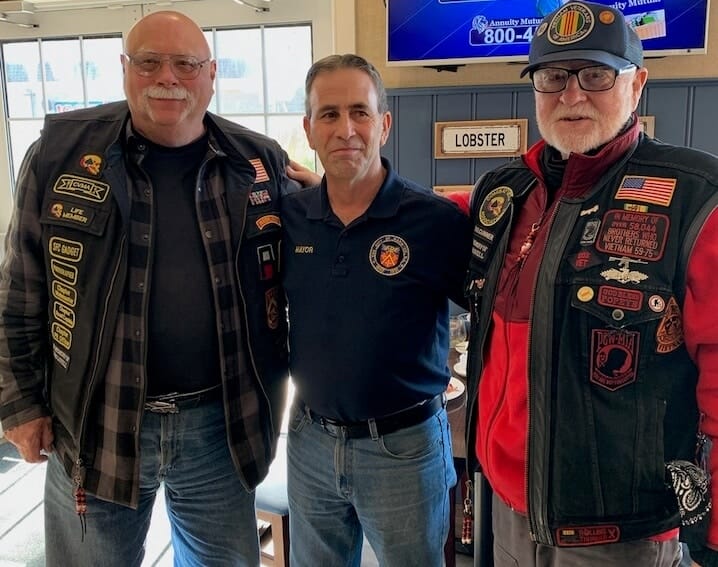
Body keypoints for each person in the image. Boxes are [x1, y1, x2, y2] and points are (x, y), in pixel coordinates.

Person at [0, 11, 313, 567]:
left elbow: (311, 248)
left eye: (186, 64)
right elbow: (19, 290)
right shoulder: (58, 154)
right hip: (97, 424)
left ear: (211, 74)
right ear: (125, 69)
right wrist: (19, 404)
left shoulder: (256, 160)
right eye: (149, 62)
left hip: (222, 426)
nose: (167, 76)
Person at [461, 2, 718, 566]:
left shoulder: (696, 196)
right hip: (503, 505)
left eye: (596, 75)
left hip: (619, 532)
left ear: (637, 83)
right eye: (553, 77)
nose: (571, 95)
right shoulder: (501, 194)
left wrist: (714, 534)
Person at [281, 53, 473, 566]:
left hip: (405, 451)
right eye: (328, 114)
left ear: (384, 124)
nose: (346, 129)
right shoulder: (288, 218)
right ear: (309, 128)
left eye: (360, 112)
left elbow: (491, 309)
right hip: (310, 441)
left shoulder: (433, 221)